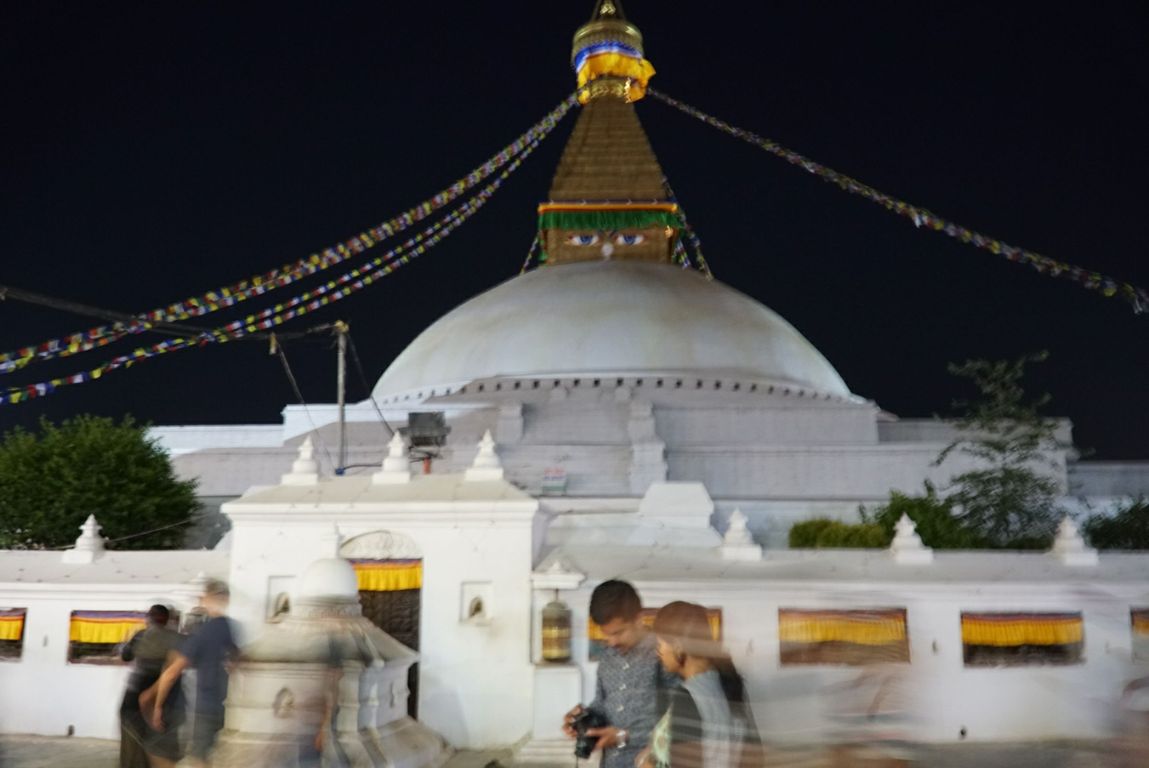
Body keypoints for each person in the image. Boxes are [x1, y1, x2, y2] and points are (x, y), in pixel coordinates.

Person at [563, 580, 673, 768]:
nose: (612, 642)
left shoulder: (665, 655)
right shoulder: (607, 656)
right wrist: (582, 719)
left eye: (618, 632)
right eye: (606, 634)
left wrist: (625, 736)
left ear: (639, 619)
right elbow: (602, 704)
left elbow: (680, 722)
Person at [640, 601, 759, 768]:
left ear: (678, 647)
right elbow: (754, 757)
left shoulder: (688, 698)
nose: (658, 652)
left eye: (660, 645)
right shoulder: (731, 685)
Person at [145, 579, 237, 767]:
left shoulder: (203, 633)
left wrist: (157, 705)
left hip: (205, 706)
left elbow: (172, 673)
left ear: (207, 599)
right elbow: (238, 659)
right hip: (228, 705)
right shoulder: (230, 627)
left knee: (197, 757)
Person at [119, 604, 184, 768]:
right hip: (163, 695)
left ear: (148, 618)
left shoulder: (141, 635)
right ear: (167, 620)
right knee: (158, 743)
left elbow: (126, 656)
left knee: (132, 740)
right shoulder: (176, 638)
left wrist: (126, 642)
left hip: (135, 694)